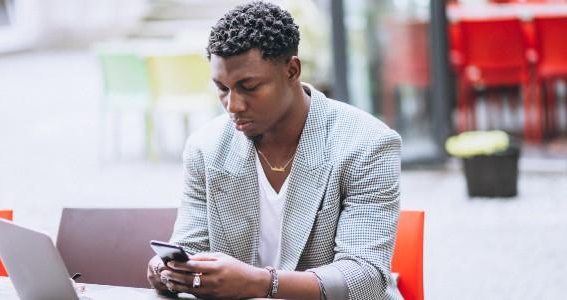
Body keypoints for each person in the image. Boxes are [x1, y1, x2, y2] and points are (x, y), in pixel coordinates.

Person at [147, 1, 402, 299]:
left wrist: (260, 283)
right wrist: (170, 271)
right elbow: (191, 247)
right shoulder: (206, 149)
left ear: (292, 70)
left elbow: (365, 276)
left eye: (249, 87)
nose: (233, 105)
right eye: (222, 88)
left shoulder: (366, 144)